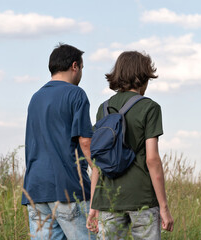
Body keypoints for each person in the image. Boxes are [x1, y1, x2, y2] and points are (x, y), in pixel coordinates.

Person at [87, 51, 174, 239]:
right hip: (141, 198)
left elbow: (97, 162)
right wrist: (164, 207)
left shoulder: (103, 109)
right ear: (143, 76)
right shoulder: (149, 108)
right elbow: (152, 159)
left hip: (108, 198)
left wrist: (94, 204)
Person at [22, 43, 97, 240]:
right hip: (68, 187)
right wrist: (99, 172)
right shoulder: (76, 94)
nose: (81, 73)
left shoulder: (35, 98)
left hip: (36, 190)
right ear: (75, 66)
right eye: (82, 68)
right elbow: (86, 142)